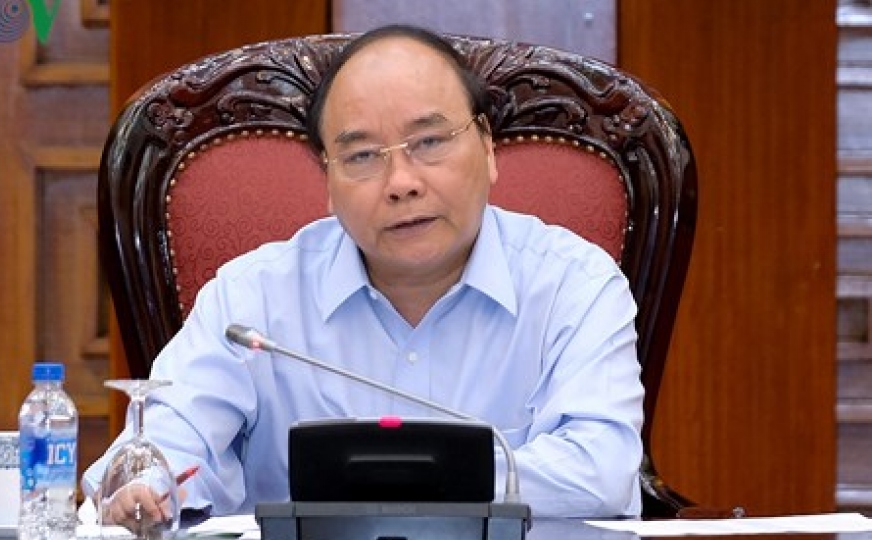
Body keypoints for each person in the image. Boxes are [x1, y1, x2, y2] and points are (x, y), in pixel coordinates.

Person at [83, 24, 644, 522]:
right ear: (327, 182)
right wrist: (143, 486)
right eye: (362, 156)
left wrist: (416, 477)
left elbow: (602, 471)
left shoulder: (574, 286)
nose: (401, 183)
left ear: (489, 148)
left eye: (430, 141)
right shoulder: (251, 301)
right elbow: (164, 444)